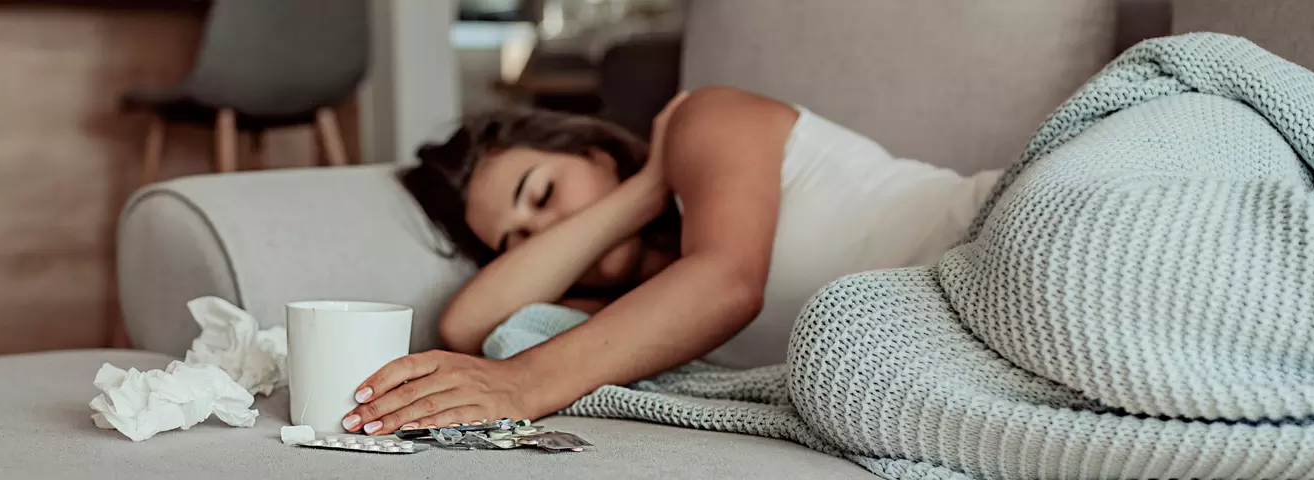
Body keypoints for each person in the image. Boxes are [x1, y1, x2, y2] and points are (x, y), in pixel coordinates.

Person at [339, 86, 1002, 435]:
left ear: (595, 149)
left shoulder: (706, 118)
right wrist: (641, 190)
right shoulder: (631, 315)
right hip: (962, 338)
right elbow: (466, 326)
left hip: (1001, 230)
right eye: (520, 240)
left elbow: (727, 283)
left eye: (541, 193)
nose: (550, 229)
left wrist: (521, 384)